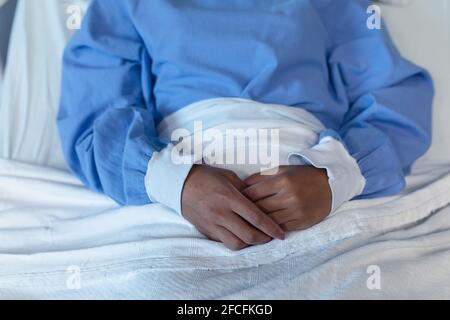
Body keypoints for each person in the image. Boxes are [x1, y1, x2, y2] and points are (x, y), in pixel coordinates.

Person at [58, 0, 433, 251]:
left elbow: (394, 95)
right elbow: (95, 117)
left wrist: (335, 175)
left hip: (315, 185)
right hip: (178, 190)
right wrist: (176, 182)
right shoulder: (122, 5)